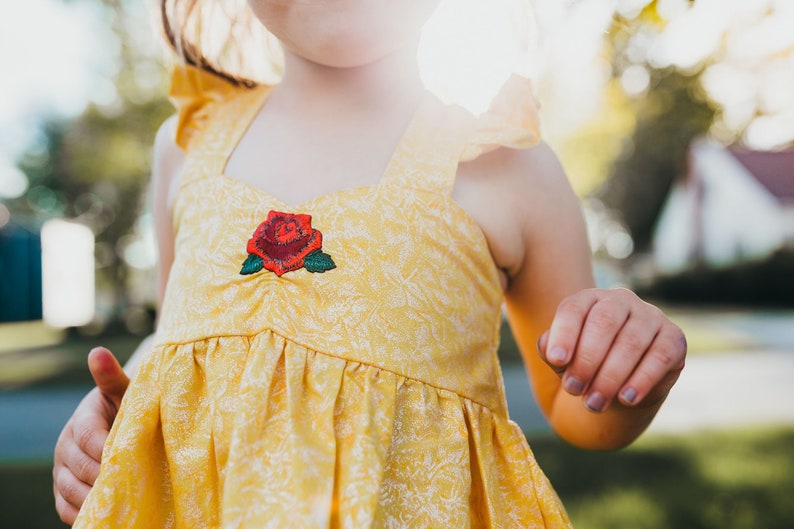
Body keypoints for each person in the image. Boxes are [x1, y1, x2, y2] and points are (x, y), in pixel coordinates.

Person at [53, 0, 687, 526]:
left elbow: (575, 405)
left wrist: (628, 367)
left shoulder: (507, 164)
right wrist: (112, 410)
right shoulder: (186, 143)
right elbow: (176, 338)